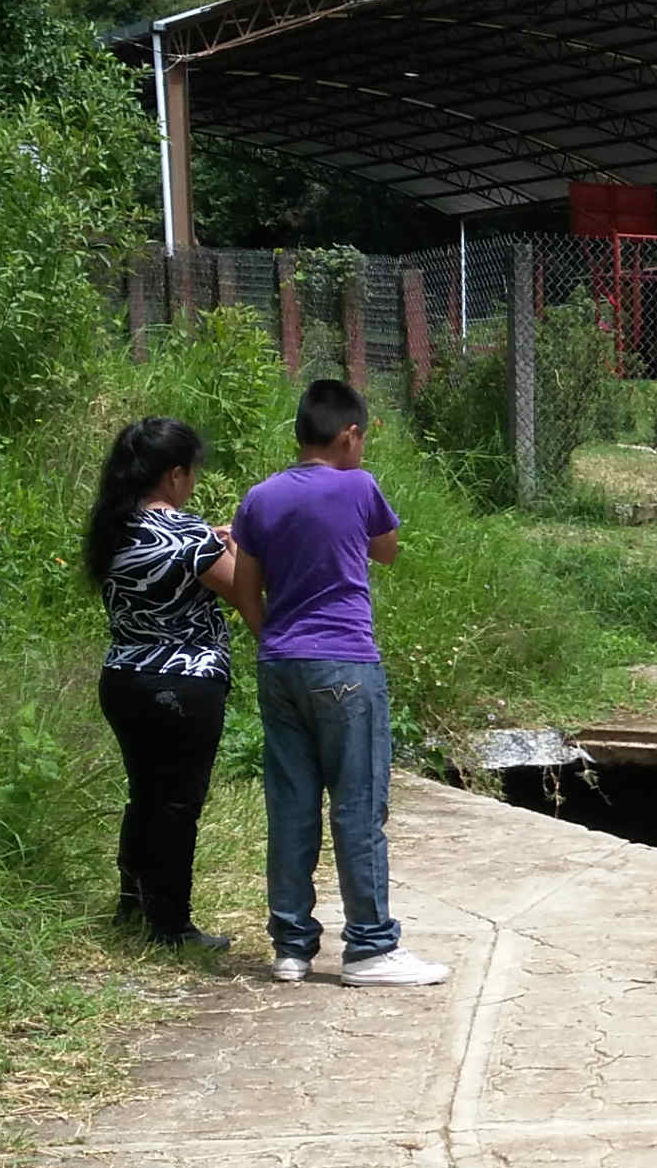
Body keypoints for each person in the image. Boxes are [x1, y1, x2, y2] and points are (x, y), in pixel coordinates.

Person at [229, 378, 448, 987]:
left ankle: (291, 948)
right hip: (347, 664)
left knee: (292, 806)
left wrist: (271, 636)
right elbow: (388, 551)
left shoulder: (260, 497)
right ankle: (371, 947)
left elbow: (246, 586)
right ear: (350, 434)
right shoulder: (359, 486)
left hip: (279, 665)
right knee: (357, 807)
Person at [85, 416, 251, 952]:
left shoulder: (111, 527)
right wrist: (239, 547)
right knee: (179, 804)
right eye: (191, 474)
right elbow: (241, 589)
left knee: (144, 795)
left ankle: (131, 906)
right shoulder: (191, 534)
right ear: (174, 476)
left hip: (123, 678)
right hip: (186, 682)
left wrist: (216, 541)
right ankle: (172, 927)